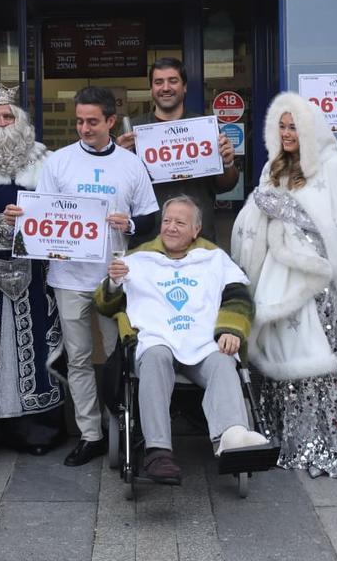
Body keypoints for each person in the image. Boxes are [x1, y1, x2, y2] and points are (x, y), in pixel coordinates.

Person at [22, 86, 158, 467]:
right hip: (68, 277)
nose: (84, 128)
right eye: (80, 121)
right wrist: (25, 224)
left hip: (115, 278)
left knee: (120, 356)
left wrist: (129, 223)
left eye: (92, 122)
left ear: (111, 121)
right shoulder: (59, 162)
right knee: (79, 358)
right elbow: (44, 217)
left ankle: (124, 428)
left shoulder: (131, 164)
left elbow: (150, 218)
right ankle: (90, 434)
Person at [230, 92, 337, 480]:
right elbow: (256, 217)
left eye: (294, 126)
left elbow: (335, 227)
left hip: (313, 282)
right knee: (279, 353)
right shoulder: (274, 168)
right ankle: (283, 435)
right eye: (282, 126)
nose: (288, 133)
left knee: (314, 358)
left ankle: (319, 438)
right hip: (275, 278)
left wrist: (285, 213)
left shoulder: (334, 167)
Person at [95, 195, 267, 484]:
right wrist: (113, 282)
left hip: (203, 344)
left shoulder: (214, 258)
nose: (171, 227)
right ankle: (158, 452)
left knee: (224, 361)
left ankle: (233, 437)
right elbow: (105, 306)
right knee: (154, 355)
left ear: (195, 230)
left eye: (179, 222)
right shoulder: (138, 259)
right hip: (158, 342)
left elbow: (239, 298)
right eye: (166, 221)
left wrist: (230, 330)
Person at [0, 81, 64, 455]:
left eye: (8, 116)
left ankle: (36, 428)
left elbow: (63, 211)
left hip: (35, 272)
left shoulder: (45, 160)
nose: (3, 123)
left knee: (37, 343)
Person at [115, 58, 238, 242]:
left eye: (173, 81)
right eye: (158, 82)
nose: (165, 88)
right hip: (147, 239)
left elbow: (225, 186)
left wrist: (227, 163)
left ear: (185, 87)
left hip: (197, 238)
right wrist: (117, 159)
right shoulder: (132, 132)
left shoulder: (204, 129)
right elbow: (116, 189)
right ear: (151, 89)